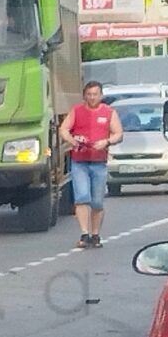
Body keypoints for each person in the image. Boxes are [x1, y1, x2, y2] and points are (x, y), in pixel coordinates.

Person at [64, 79, 121, 248]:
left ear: (101, 95)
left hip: (99, 162)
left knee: (97, 202)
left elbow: (118, 133)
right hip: (79, 161)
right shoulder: (76, 111)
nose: (92, 97)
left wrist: (106, 142)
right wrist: (72, 140)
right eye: (89, 94)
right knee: (82, 197)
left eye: (95, 94)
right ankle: (84, 234)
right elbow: (64, 129)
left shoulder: (109, 112)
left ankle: (95, 234)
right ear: (84, 96)